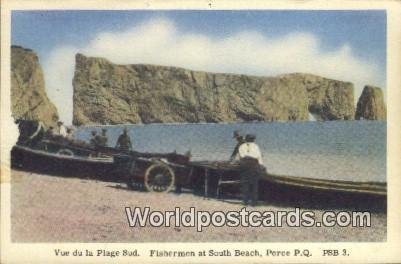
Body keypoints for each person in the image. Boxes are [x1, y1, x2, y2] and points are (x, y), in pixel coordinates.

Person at [235, 134, 264, 206]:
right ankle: (254, 202)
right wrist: (261, 165)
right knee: (254, 184)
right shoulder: (256, 146)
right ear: (253, 139)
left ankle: (245, 202)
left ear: (246, 139)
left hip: (244, 163)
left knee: (245, 183)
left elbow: (239, 157)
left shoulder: (241, 146)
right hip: (253, 164)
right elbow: (259, 156)